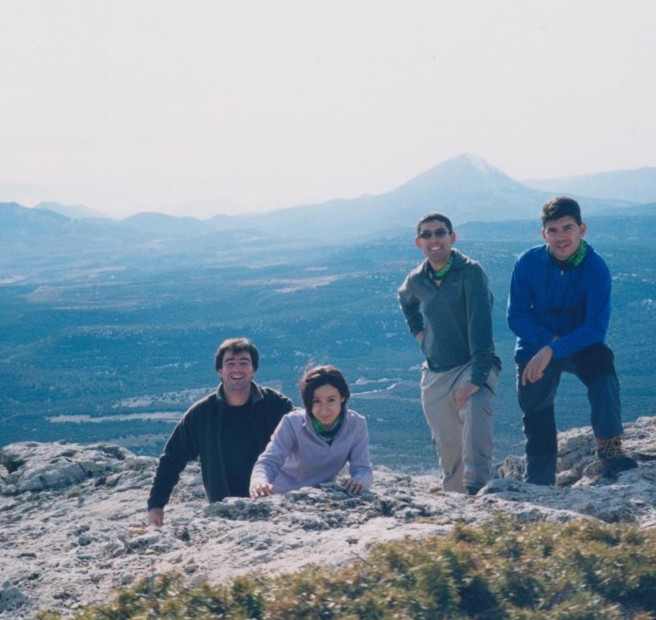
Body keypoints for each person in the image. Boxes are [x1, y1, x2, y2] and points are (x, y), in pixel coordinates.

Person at [508, 197, 639, 484]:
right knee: (536, 413)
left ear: (582, 229)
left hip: (579, 347)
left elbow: (595, 330)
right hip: (534, 348)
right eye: (553, 230)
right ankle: (540, 483)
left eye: (567, 228)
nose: (560, 237)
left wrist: (553, 349)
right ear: (544, 234)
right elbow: (516, 317)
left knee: (601, 361)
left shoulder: (595, 269)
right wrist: (547, 345)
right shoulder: (528, 263)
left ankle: (610, 447)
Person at [397, 212, 500, 495]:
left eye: (440, 233)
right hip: (436, 369)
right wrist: (420, 334)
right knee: (448, 445)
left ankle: (478, 489)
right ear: (419, 242)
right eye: (427, 235)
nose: (434, 239)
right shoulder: (417, 279)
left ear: (452, 237)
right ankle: (456, 500)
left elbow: (481, 327)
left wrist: (477, 377)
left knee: (475, 404)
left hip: (473, 360)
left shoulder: (471, 272)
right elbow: (406, 301)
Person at [146, 338, 293, 525]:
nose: (237, 369)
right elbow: (172, 459)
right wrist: (156, 505)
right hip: (225, 514)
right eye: (230, 363)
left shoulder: (276, 405)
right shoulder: (202, 414)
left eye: (244, 363)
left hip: (274, 508)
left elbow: (305, 437)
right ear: (220, 371)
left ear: (254, 370)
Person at [249, 365, 372, 497]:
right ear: (308, 402)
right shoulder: (292, 423)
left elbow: (362, 468)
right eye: (317, 401)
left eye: (331, 400)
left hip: (323, 496)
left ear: (342, 398)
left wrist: (360, 481)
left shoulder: (356, 424)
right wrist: (259, 481)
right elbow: (269, 461)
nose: (324, 409)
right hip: (283, 496)